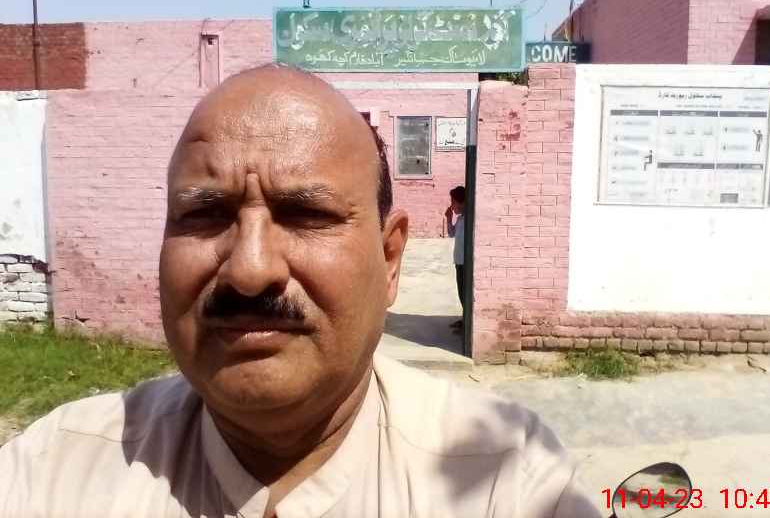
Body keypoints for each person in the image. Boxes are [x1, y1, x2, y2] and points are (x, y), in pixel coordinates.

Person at [0, 64, 599, 518]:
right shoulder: (54, 473)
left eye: (306, 215)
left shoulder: (504, 482)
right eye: (205, 214)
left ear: (389, 260)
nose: (249, 270)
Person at [445, 185, 466, 330]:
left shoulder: (469, 220)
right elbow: (451, 233)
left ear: (462, 202)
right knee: (461, 292)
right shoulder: (460, 219)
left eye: (453, 202)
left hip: (465, 263)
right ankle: (465, 318)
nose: (452, 206)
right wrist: (449, 218)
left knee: (465, 293)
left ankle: (467, 320)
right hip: (458, 261)